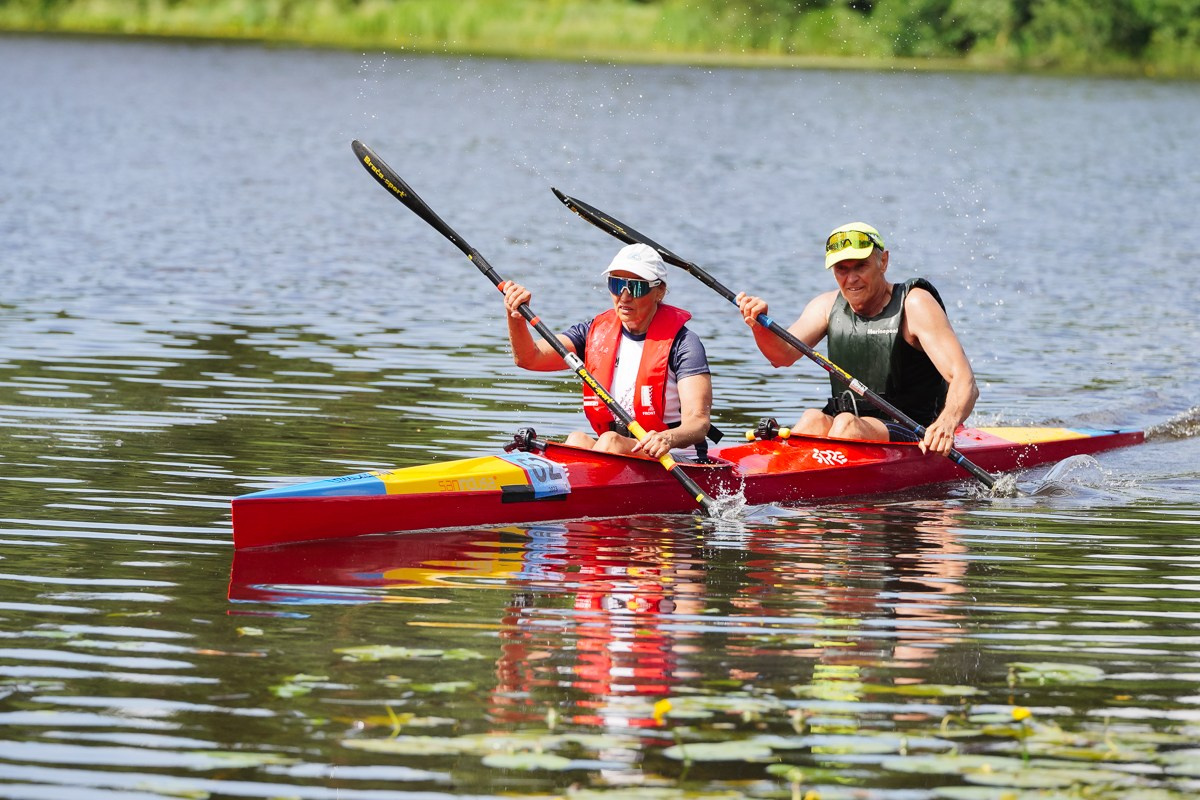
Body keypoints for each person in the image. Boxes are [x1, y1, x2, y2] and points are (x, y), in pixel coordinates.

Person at [735, 222, 978, 457]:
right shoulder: (826, 306)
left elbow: (964, 380)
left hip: (915, 430)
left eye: (860, 266)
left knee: (846, 425)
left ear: (883, 261)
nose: (851, 279)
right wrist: (759, 326)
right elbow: (781, 356)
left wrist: (946, 424)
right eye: (842, 269)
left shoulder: (915, 304)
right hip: (850, 426)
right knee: (812, 419)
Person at [502, 243, 716, 461]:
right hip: (618, 453)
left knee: (610, 441)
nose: (624, 297)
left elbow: (698, 422)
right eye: (616, 284)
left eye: (636, 287)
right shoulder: (594, 333)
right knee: (577, 440)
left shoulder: (684, 344)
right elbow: (530, 358)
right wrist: (515, 316)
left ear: (659, 291)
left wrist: (667, 439)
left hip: (677, 459)